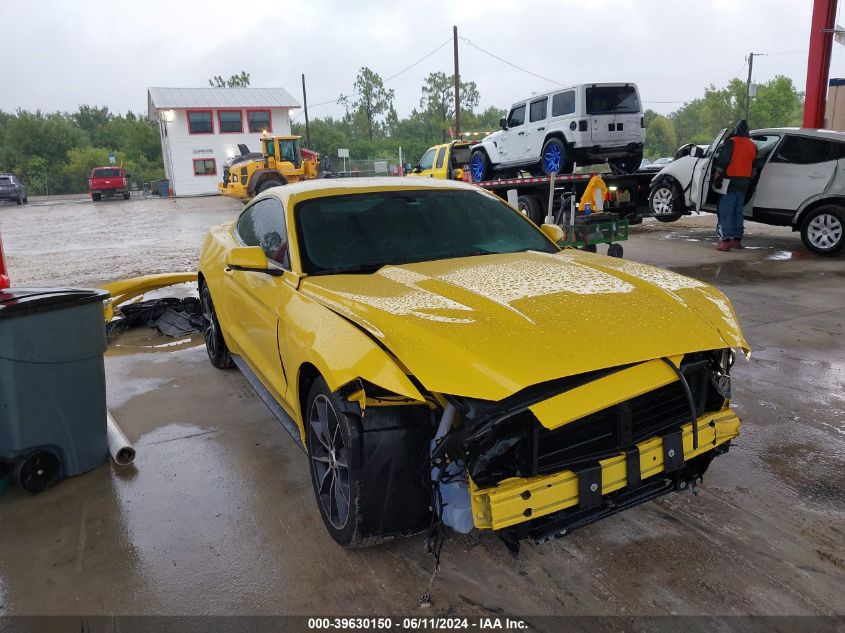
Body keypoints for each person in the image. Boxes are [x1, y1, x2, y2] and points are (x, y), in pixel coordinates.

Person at [713, 120, 757, 251]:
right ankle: (737, 240)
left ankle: (725, 242)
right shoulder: (752, 145)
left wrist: (716, 175)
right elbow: (754, 165)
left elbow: (722, 161)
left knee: (725, 211)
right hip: (744, 183)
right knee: (738, 212)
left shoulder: (731, 142)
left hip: (729, 182)